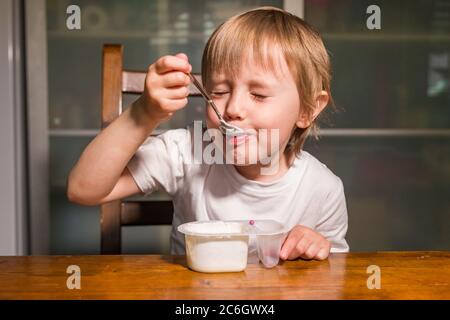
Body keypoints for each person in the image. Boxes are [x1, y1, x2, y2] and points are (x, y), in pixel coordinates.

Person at [68, 7, 349, 262]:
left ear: (307, 110)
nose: (233, 109)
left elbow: (336, 274)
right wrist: (142, 114)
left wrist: (317, 248)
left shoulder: (323, 190)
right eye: (219, 92)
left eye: (259, 95)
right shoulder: (186, 151)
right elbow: (83, 190)